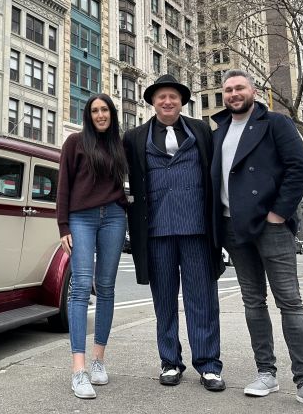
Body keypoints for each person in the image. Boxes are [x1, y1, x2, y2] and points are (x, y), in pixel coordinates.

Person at [211, 69, 303, 413]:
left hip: (271, 226)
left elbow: (300, 168)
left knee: (290, 302)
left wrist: (278, 214)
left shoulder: (277, 124)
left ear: (253, 91)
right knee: (253, 303)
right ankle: (266, 372)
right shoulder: (219, 130)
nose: (234, 94)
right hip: (233, 228)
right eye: (228, 90)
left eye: (240, 88)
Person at [123, 74, 226, 392]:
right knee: (163, 301)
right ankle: (170, 362)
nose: (167, 102)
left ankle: (208, 365)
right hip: (156, 231)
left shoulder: (200, 130)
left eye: (173, 97)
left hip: (196, 227)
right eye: (161, 97)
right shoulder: (134, 137)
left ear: (182, 101)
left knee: (203, 300)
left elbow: (217, 172)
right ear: (152, 102)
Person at [56, 94, 128, 399]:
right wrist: (63, 226)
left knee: (107, 287)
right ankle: (78, 369)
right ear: (88, 115)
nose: (100, 115)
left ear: (112, 114)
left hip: (113, 217)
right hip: (81, 219)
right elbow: (63, 184)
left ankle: (99, 360)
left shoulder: (118, 145)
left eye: (105, 110)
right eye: (95, 110)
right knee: (81, 286)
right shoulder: (75, 142)